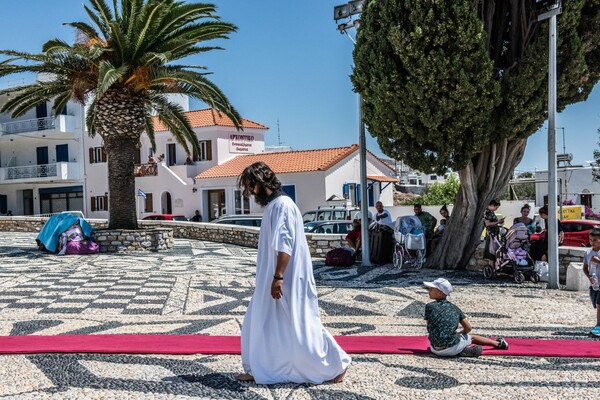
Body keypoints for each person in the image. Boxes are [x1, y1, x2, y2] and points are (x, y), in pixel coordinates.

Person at [236, 161, 350, 385]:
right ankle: (261, 368)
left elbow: (284, 244)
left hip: (286, 279)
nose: (250, 191)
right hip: (273, 278)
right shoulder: (274, 206)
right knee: (264, 322)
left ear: (260, 182)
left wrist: (278, 277)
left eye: (251, 186)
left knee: (301, 325)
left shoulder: (283, 206)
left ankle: (335, 365)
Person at [423, 278, 509, 357]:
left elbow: (431, 325)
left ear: (440, 292)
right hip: (452, 347)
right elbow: (468, 327)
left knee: (448, 340)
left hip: (435, 349)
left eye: (431, 289)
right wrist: (462, 333)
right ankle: (498, 344)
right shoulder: (455, 309)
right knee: (471, 337)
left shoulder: (429, 306)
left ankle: (461, 350)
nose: (429, 291)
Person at [583, 228, 600, 337]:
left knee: (599, 304)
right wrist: (589, 276)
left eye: (595, 240)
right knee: (597, 305)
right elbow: (585, 267)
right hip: (594, 284)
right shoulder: (588, 252)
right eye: (590, 240)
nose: (592, 242)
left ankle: (598, 325)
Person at [483, 200, 504, 267]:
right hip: (491, 234)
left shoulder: (491, 212)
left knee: (495, 250)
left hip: (495, 233)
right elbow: (487, 224)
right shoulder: (487, 212)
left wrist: (498, 224)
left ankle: (493, 266)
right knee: (492, 250)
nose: (496, 209)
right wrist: (498, 222)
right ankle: (491, 267)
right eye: (496, 207)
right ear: (492, 205)